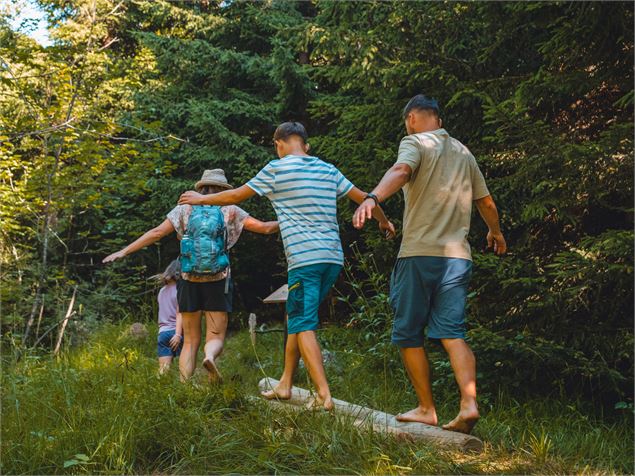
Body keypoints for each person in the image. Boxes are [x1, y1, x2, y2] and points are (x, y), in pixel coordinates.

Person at [179, 122, 396, 410]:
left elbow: (235, 196)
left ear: (278, 144)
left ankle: (323, 395)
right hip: (331, 258)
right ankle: (285, 383)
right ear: (306, 145)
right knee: (297, 317)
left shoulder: (276, 169)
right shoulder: (328, 170)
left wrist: (201, 198)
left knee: (304, 323)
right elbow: (365, 197)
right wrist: (383, 220)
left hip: (304, 260)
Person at [352, 94, 507, 434]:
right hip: (457, 258)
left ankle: (426, 409)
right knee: (453, 333)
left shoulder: (415, 142)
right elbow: (486, 202)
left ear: (411, 119)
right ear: (438, 117)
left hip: (419, 254)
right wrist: (495, 232)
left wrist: (372, 197)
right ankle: (469, 404)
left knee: (409, 333)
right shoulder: (464, 152)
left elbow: (401, 170)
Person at [103, 169, 279, 382]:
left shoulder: (185, 208)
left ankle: (185, 385)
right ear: (224, 190)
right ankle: (210, 356)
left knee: (190, 340)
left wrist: (124, 251)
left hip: (188, 280)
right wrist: (293, 221)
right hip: (219, 280)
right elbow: (264, 228)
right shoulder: (230, 209)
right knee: (215, 335)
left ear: (201, 187)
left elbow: (157, 232)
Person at [156, 259, 183, 374]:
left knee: (163, 370)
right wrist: (178, 334)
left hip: (162, 333)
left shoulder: (161, 291)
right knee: (185, 368)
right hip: (175, 332)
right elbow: (179, 313)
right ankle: (186, 387)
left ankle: (159, 389)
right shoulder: (179, 290)